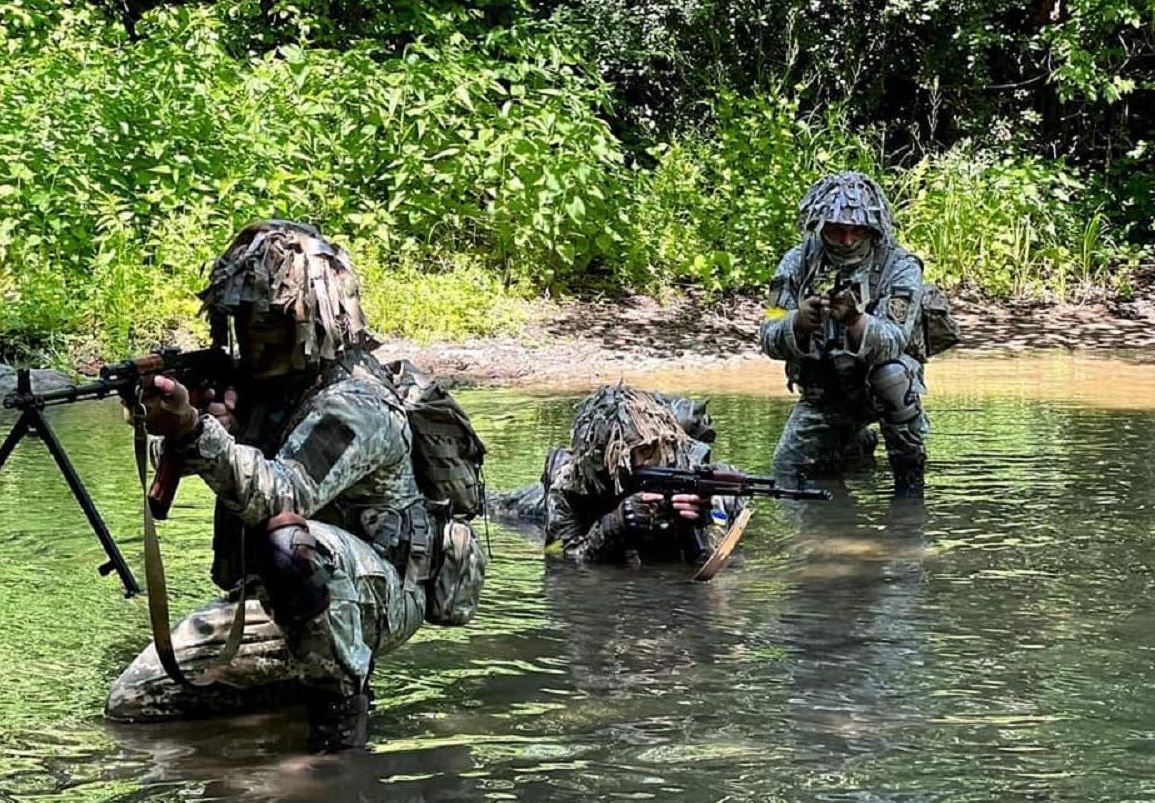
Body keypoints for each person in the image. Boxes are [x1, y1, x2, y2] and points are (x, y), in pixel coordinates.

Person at [105, 220, 486, 752]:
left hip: (378, 591)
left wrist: (195, 429)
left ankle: (339, 725)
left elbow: (282, 495)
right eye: (241, 319)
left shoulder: (355, 404)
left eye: (269, 320)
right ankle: (294, 690)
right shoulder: (269, 390)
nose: (252, 335)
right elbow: (210, 463)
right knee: (133, 701)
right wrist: (193, 425)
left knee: (289, 542)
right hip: (284, 592)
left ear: (312, 318)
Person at [760, 171, 929, 498]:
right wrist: (798, 321)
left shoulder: (900, 266)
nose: (848, 240)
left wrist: (855, 320)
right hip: (824, 390)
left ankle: (909, 482)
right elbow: (768, 335)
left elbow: (894, 340)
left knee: (893, 375)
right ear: (821, 226)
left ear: (873, 229)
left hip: (881, 388)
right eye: (837, 230)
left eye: (857, 231)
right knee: (788, 472)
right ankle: (853, 445)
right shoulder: (797, 262)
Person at [493, 383, 743, 565]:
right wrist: (613, 526)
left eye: (650, 450)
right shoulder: (572, 479)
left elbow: (716, 558)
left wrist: (696, 524)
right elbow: (558, 557)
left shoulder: (683, 468)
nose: (644, 461)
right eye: (631, 453)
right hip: (548, 505)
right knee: (503, 506)